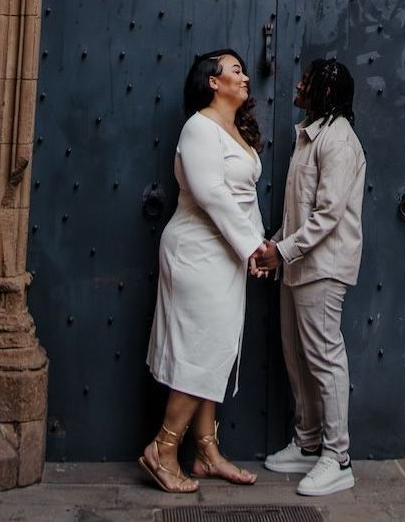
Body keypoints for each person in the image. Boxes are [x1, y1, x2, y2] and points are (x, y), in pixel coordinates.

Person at [140, 49, 275, 492]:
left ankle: (205, 452)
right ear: (213, 81)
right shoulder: (199, 127)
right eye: (236, 70)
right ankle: (162, 449)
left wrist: (256, 247)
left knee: (216, 348)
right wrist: (250, 245)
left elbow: (244, 200)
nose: (246, 76)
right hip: (196, 251)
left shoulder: (235, 131)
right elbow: (211, 193)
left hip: (226, 254)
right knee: (200, 348)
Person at [254, 58, 367, 497]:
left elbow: (327, 216)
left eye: (307, 81)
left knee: (324, 357)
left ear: (325, 91)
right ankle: (308, 442)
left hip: (323, 267)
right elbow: (298, 211)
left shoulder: (338, 141)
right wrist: (274, 246)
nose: (298, 86)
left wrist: (281, 252)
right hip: (298, 264)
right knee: (297, 354)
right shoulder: (309, 135)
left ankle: (338, 458)